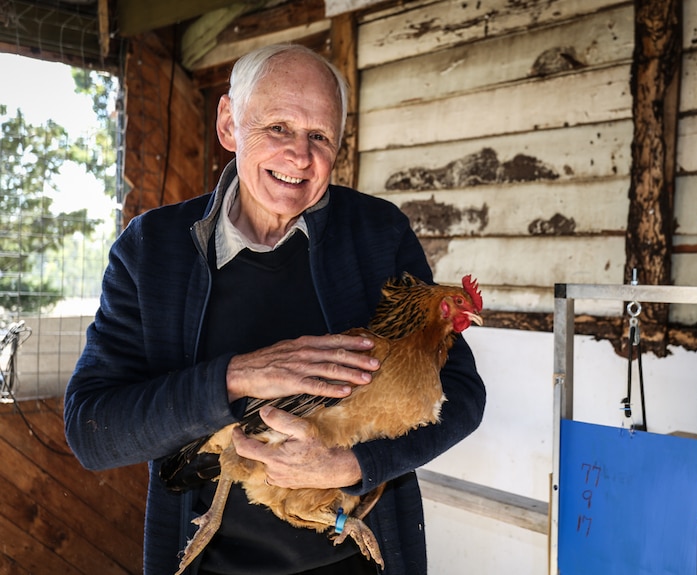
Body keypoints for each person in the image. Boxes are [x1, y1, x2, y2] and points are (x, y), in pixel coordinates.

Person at [64, 43, 486, 575]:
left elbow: (464, 396)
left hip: (356, 558)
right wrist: (237, 376)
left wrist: (352, 463)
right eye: (278, 128)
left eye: (319, 137)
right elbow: (91, 430)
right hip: (208, 565)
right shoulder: (151, 250)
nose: (299, 156)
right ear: (228, 125)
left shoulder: (378, 234)